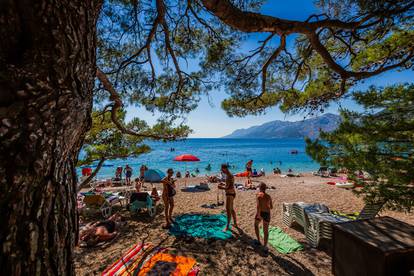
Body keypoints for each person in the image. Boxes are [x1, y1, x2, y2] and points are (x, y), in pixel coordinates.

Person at [218, 164, 238, 231]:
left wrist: (221, 187)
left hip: (229, 194)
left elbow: (227, 187)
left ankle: (227, 226)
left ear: (225, 169)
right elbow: (230, 185)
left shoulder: (228, 176)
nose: (221, 171)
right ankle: (235, 223)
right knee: (231, 209)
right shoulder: (230, 175)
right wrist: (223, 184)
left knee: (228, 210)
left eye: (222, 169)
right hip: (232, 193)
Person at [254, 183, 273, 249]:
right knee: (266, 231)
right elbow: (271, 207)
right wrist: (266, 205)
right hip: (267, 214)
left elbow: (258, 206)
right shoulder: (269, 196)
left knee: (256, 225)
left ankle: (259, 240)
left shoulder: (258, 195)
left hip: (261, 213)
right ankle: (265, 246)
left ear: (260, 188)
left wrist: (258, 214)